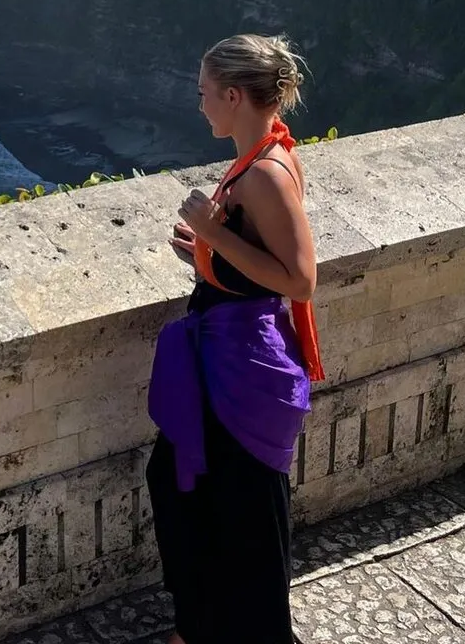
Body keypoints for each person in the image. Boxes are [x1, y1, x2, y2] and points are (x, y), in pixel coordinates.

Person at [146, 32, 325, 644]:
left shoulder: (267, 173)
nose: (199, 104)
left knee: (243, 512)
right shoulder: (265, 152)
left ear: (232, 96)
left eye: (204, 93)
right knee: (189, 488)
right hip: (229, 352)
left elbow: (300, 279)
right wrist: (206, 254)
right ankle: (201, 625)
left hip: (244, 367)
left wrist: (213, 235)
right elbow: (257, 260)